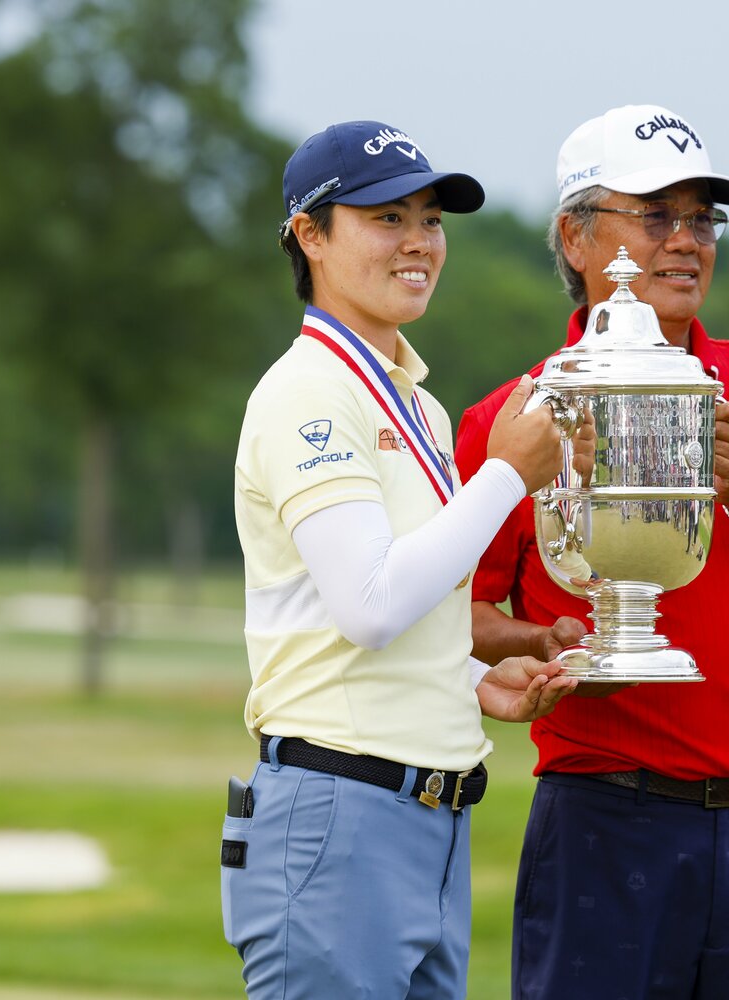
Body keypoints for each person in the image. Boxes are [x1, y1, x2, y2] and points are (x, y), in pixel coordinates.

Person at [453, 104, 729, 1000]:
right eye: (655, 215)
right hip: (608, 819)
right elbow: (459, 615)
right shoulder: (514, 417)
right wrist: (542, 644)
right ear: (576, 239)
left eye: (702, 218)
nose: (686, 241)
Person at [223, 119, 594, 1000]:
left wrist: (468, 678)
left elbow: (396, 609)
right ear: (309, 237)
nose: (419, 242)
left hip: (434, 819)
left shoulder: (415, 406)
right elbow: (370, 605)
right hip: (337, 812)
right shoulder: (308, 392)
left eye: (430, 219)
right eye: (386, 218)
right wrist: (506, 474)